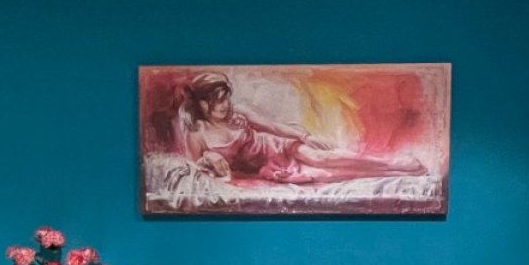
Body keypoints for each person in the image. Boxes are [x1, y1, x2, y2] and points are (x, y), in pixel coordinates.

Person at [179, 71, 423, 184]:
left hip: (275, 147)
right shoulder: (197, 133)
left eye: (225, 99)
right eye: (217, 101)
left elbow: (273, 126)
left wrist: (304, 135)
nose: (224, 105)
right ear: (203, 103)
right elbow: (193, 167)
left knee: (320, 158)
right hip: (265, 167)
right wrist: (209, 158)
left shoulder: (238, 114)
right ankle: (395, 174)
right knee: (326, 176)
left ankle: (392, 163)